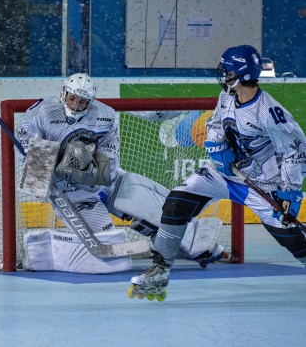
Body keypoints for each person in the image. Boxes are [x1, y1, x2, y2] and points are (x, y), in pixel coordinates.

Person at [131, 45, 306, 292]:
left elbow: (296, 150)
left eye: (227, 70)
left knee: (290, 237)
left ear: (241, 74)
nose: (223, 74)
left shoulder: (268, 111)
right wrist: (215, 145)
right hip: (224, 174)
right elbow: (215, 124)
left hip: (262, 184)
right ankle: (160, 270)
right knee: (176, 202)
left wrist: (289, 193)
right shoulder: (227, 96)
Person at [16, 73, 227, 274]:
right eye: (72, 99)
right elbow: (30, 164)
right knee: (109, 252)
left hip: (103, 179)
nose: (76, 105)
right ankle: (41, 251)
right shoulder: (41, 112)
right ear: (64, 93)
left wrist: (90, 171)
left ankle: (199, 248)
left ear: (90, 101)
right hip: (69, 190)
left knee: (151, 205)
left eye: (82, 102)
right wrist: (53, 166)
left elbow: (109, 159)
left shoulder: (104, 115)